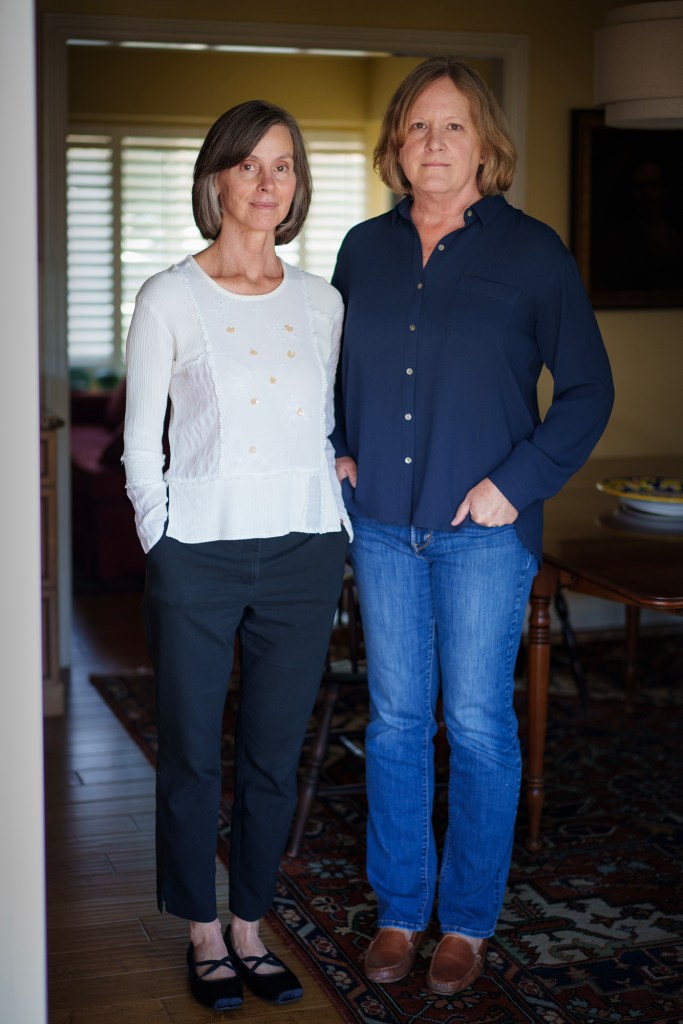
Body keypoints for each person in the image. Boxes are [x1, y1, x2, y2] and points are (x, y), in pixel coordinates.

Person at [331, 57, 614, 997]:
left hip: (484, 533)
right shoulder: (360, 252)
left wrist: (514, 482)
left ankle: (468, 922)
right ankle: (401, 911)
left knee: (479, 723)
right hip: (380, 529)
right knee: (399, 723)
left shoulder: (534, 254)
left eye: (452, 127)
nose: (433, 144)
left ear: (486, 145)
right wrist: (335, 443)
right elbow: (327, 376)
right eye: (416, 127)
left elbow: (585, 392)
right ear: (395, 147)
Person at [122, 99, 350, 1011]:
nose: (267, 183)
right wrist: (162, 545)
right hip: (199, 557)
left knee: (271, 752)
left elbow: (320, 418)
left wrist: (334, 474)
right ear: (216, 177)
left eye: (283, 167)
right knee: (189, 754)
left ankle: (251, 923)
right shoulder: (169, 296)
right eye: (249, 165)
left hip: (303, 549)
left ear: (297, 186)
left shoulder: (322, 301)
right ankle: (200, 929)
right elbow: (143, 444)